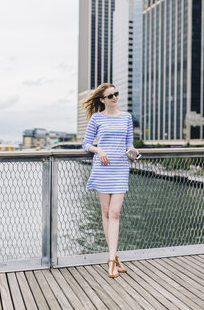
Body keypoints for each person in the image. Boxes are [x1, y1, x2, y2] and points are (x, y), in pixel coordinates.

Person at [82, 83, 140, 278]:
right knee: (106, 212)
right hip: (103, 167)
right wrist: (98, 149)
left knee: (115, 213)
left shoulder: (127, 117)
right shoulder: (97, 118)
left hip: (120, 168)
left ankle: (110, 258)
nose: (115, 98)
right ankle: (114, 257)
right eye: (110, 96)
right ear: (102, 100)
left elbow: (129, 143)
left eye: (116, 94)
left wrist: (132, 152)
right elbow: (86, 144)